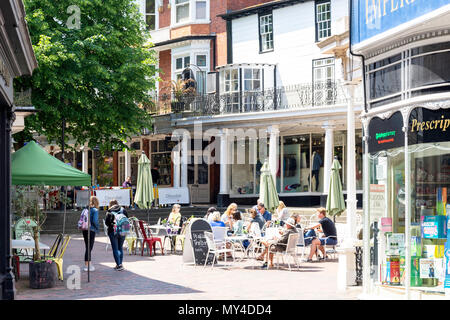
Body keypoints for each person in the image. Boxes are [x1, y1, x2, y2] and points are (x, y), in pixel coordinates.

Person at [105, 199, 129, 271]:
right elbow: (127, 219)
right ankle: (120, 264)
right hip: (123, 231)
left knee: (115, 249)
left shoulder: (109, 212)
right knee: (120, 248)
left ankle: (118, 265)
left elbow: (107, 223)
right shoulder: (123, 210)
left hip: (113, 232)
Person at [82, 196, 99, 272]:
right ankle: (87, 265)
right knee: (89, 248)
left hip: (84, 229)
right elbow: (95, 221)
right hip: (91, 230)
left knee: (87, 247)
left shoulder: (85, 209)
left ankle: (88, 264)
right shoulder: (95, 210)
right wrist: (97, 228)